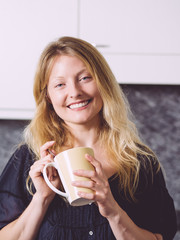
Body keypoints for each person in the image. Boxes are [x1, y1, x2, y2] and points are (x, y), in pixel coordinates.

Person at [0, 36, 177, 240]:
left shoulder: (140, 162)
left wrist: (113, 211)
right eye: (60, 85)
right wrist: (42, 198)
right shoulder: (28, 160)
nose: (75, 92)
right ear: (48, 96)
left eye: (85, 78)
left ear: (103, 83)